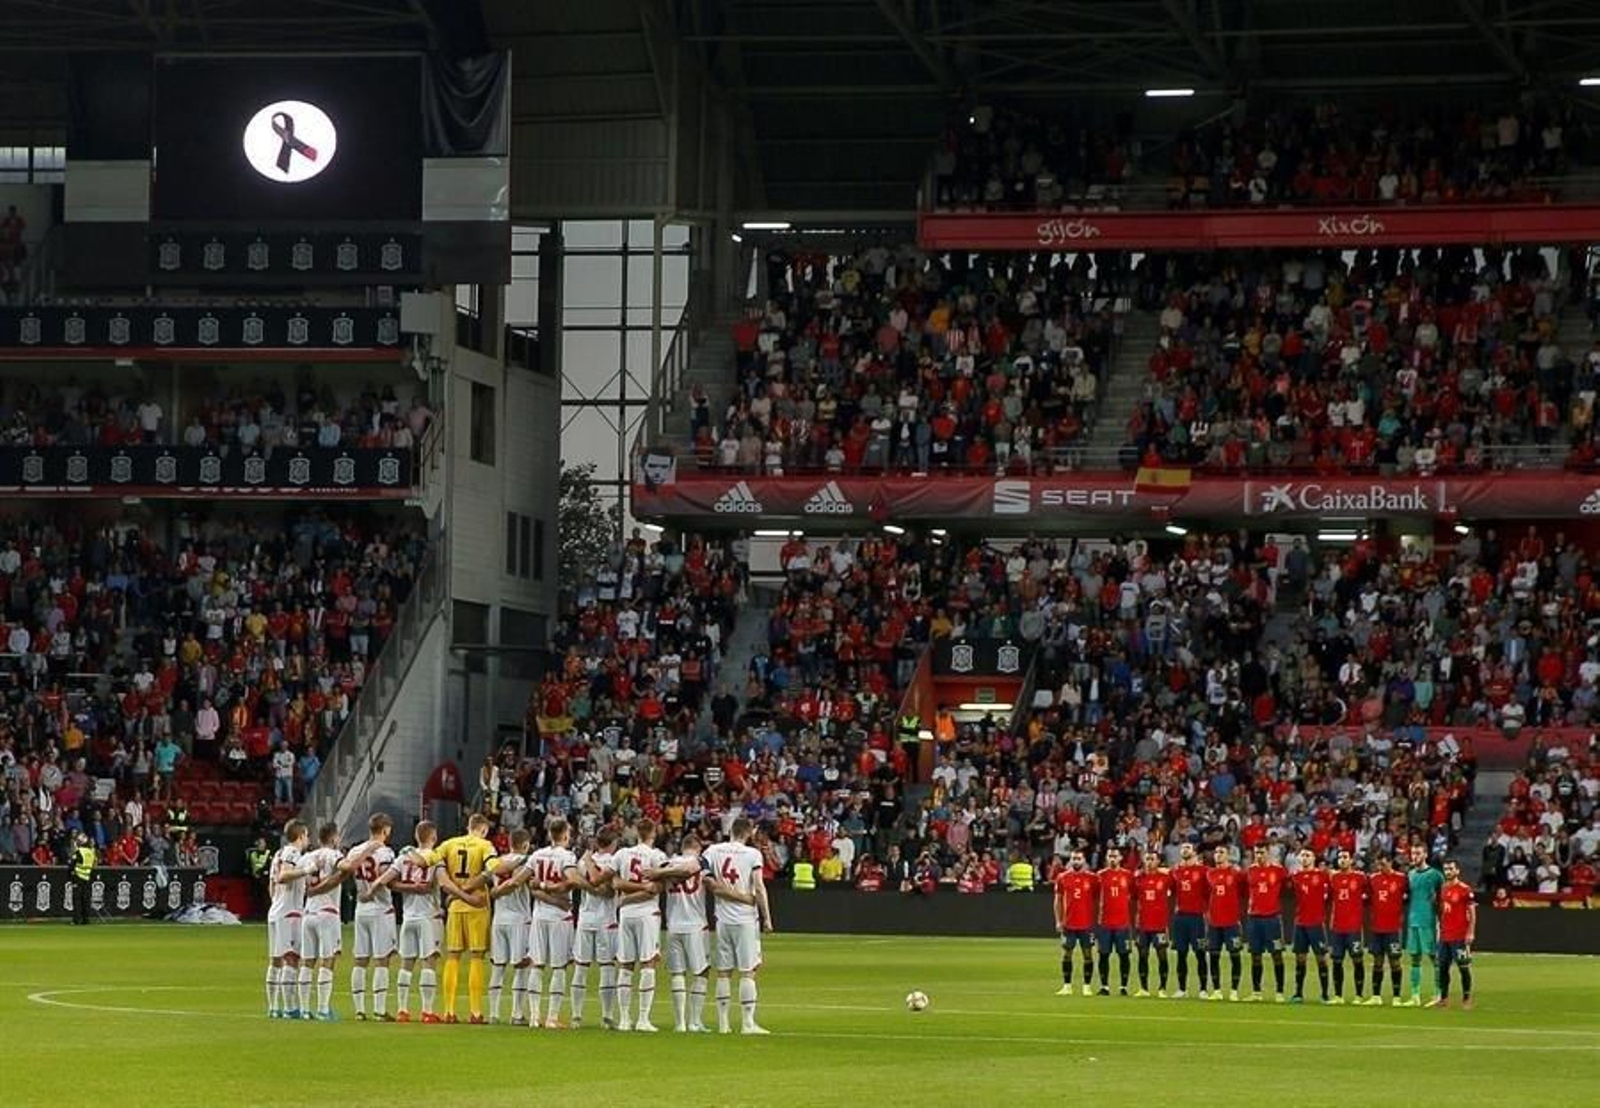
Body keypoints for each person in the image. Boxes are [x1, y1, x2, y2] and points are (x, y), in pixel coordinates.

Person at [415, 812, 498, 1022]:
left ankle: (449, 1011)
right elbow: (492, 870)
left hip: (455, 906)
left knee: (453, 957)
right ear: (483, 829)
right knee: (477, 957)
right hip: (477, 906)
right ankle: (476, 1012)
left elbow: (425, 860)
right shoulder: (485, 845)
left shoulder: (449, 844)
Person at [703, 816, 772, 1034]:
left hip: (722, 918)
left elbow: (704, 875)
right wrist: (767, 917)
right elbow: (759, 888)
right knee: (747, 970)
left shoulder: (713, 850)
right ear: (748, 832)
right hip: (745, 919)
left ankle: (723, 1024)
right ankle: (747, 1023)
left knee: (723, 971)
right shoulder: (753, 854)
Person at [611, 818, 668, 1032]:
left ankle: (625, 1019)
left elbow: (616, 883)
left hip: (626, 914)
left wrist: (627, 897)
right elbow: (657, 887)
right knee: (647, 963)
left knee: (625, 965)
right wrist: (643, 889)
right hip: (647, 913)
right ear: (654, 832)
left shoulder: (622, 854)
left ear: (637, 832)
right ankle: (643, 1018)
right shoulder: (657, 856)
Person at [523, 817, 580, 1028]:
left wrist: (539, 887)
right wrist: (550, 887)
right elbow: (572, 880)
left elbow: (525, 880)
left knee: (536, 964)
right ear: (565, 834)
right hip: (559, 917)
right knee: (558, 967)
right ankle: (552, 1018)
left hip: (539, 915)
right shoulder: (567, 856)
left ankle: (534, 1017)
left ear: (549, 834)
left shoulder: (537, 855)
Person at [658, 832, 712, 1032]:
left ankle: (679, 1023)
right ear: (697, 846)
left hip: (673, 923)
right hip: (696, 924)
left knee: (677, 972)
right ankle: (694, 1021)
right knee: (701, 971)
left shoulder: (667, 864)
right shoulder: (700, 862)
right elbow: (708, 882)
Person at [480, 828, 534, 1024]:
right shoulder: (526, 862)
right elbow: (519, 884)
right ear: (526, 844)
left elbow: (484, 880)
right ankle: (517, 1014)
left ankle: (493, 1014)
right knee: (521, 966)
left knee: (498, 967)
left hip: (499, 918)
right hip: (519, 918)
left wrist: (493, 892)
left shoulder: (497, 862)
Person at [349, 813, 397, 1021]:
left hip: (361, 908)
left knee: (360, 960)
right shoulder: (385, 851)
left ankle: (359, 1009)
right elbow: (386, 877)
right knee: (382, 959)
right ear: (385, 829)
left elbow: (350, 872)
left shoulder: (356, 850)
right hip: (380, 909)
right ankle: (379, 1010)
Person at [571, 827, 620, 1028]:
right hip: (605, 920)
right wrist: (594, 887)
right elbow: (606, 890)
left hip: (585, 918)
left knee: (581, 967)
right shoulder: (613, 861)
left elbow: (577, 880)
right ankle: (607, 1016)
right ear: (612, 843)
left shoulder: (583, 861)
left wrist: (589, 871)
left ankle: (576, 1016)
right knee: (606, 967)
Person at [266, 820, 311, 1019]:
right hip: (289, 912)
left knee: (275, 961)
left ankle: (274, 1007)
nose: (308, 839)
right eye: (307, 835)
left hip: (276, 910)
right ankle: (290, 1008)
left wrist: (276, 902)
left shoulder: (277, 853)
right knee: (291, 958)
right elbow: (283, 876)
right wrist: (306, 871)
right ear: (300, 836)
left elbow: (272, 884)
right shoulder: (293, 853)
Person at [1243, 843, 1289, 1002]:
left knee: (1277, 955)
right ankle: (1256, 992)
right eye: (1256, 853)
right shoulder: (1250, 871)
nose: (1259, 856)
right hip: (1254, 918)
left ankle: (1280, 992)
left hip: (1272, 919)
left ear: (1268, 853)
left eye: (1262, 852)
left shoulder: (1278, 870)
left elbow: (1288, 885)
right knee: (1255, 956)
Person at [1051, 848, 1098, 996]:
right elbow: (1057, 901)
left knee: (1088, 954)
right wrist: (1058, 920)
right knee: (1066, 954)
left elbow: (1098, 900)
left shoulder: (1093, 878)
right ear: (1070, 860)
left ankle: (1087, 986)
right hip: (1068, 924)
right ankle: (1067, 985)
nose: (1076, 861)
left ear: (1084, 860)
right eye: (1074, 858)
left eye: (1079, 858)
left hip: (1086, 924)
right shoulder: (1062, 877)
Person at [1289, 847, 1332, 1003]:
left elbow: (1330, 894)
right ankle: (1298, 993)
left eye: (1308, 855)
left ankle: (1325, 994)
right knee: (1300, 959)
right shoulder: (1295, 876)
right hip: (1300, 923)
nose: (1305, 858)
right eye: (1303, 855)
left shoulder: (1322, 876)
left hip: (1316, 923)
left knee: (1321, 958)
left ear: (1313, 858)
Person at [1366, 852, 1409, 1006]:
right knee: (1377, 961)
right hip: (1377, 927)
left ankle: (1396, 997)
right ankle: (1376, 996)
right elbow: (1368, 897)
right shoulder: (1373, 879)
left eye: (1383, 864)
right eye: (1378, 864)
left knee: (1395, 962)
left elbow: (1409, 896)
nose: (1380, 867)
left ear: (1390, 862)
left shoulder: (1402, 879)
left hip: (1393, 928)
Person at [1404, 843, 1444, 1006]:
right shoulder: (1411, 874)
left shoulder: (1435, 875)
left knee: (1435, 958)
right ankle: (1415, 995)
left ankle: (1439, 994)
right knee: (1414, 957)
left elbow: (1444, 896)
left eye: (1418, 853)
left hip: (1429, 920)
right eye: (1413, 853)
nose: (1415, 857)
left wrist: (1440, 918)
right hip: (1413, 920)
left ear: (1425, 855)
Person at [1432, 859, 1476, 1009]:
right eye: (1446, 869)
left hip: (1459, 935)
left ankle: (1467, 998)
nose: (1448, 872)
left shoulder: (1465, 889)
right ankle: (1444, 998)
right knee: (1443, 967)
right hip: (1445, 936)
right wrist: (1439, 929)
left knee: (1463, 967)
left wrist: (1470, 932)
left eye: (1451, 869)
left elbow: (1472, 912)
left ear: (1457, 871)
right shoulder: (1442, 889)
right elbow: (1442, 911)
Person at [1204, 845, 1246, 1001]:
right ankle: (1216, 990)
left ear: (1228, 855)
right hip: (1214, 922)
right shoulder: (1210, 874)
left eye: (1221, 852)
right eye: (1216, 852)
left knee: (1234, 955)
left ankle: (1234, 990)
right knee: (1213, 956)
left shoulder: (1236, 874)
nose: (1218, 855)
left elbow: (1244, 891)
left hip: (1231, 922)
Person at [1327, 849, 1369, 1004]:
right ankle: (1338, 995)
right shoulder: (1333, 877)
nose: (1342, 860)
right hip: (1337, 926)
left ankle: (1359, 995)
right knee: (1337, 961)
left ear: (1351, 860)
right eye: (1340, 857)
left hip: (1353, 927)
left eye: (1345, 857)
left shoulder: (1360, 877)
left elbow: (1369, 892)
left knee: (1357, 960)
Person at [1170, 842, 1210, 998]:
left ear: (1194, 852)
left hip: (1198, 918)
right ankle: (1181, 989)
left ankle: (1203, 989)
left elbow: (1210, 892)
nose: (1184, 850)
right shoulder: (1176, 871)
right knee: (1181, 954)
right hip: (1180, 917)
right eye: (1183, 848)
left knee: (1200, 953)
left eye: (1188, 848)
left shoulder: (1204, 871)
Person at [1132, 849, 1173, 997]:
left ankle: (1162, 988)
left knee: (1162, 955)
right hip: (1142, 925)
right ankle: (1143, 988)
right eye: (1147, 859)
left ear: (1158, 861)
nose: (1149, 862)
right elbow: (1132, 896)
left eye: (1152, 859)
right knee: (1143, 955)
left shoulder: (1166, 878)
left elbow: (1176, 883)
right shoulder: (1137, 878)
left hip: (1159, 924)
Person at [1095, 846, 1135, 996]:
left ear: (1120, 858)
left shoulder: (1128, 876)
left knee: (1124, 955)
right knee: (1103, 955)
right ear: (1106, 858)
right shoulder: (1099, 876)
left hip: (1123, 924)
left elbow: (1134, 894)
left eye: (1115, 856)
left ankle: (1123, 987)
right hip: (1104, 923)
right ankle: (1104, 986)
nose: (1112, 858)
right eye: (1110, 856)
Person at [70, 832, 96, 926]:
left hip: (78, 877)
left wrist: (71, 875)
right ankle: (86, 919)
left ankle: (77, 919)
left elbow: (72, 864)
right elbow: (93, 865)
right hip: (87, 877)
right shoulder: (91, 852)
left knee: (77, 899)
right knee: (86, 899)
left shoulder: (79, 851)